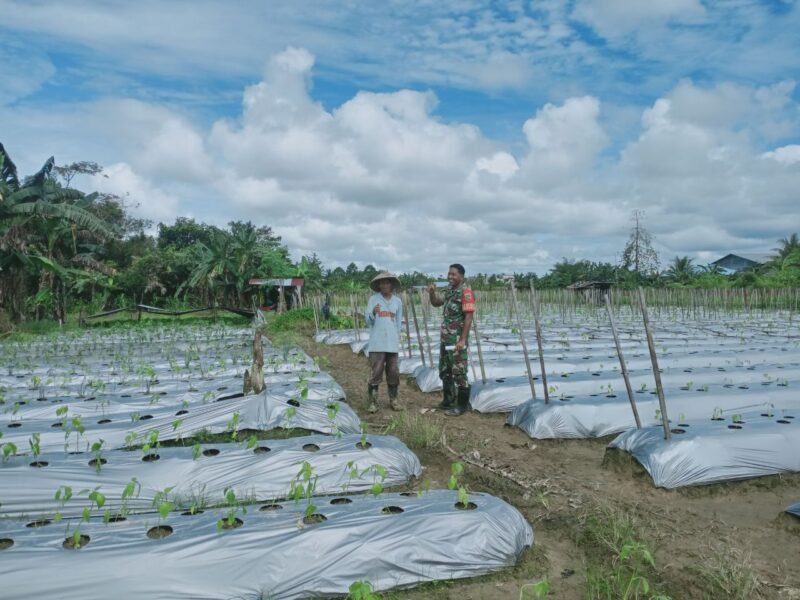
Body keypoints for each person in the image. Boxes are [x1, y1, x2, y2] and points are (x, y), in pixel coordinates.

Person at [428, 263, 475, 416]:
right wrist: (432, 293)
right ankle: (448, 400)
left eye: (453, 274)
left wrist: (462, 340)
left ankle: (461, 405)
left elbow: (468, 318)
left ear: (461, 276)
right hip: (445, 338)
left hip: (456, 340)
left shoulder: (466, 292)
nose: (450, 277)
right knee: (445, 370)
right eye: (449, 274)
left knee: (459, 371)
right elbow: (436, 303)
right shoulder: (449, 291)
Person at [364, 272, 404, 412]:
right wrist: (373, 313)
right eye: (382, 283)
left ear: (391, 285)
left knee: (393, 372)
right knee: (376, 372)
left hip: (392, 344)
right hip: (377, 343)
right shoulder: (374, 300)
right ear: (379, 285)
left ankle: (393, 400)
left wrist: (396, 338)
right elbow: (368, 320)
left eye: (387, 283)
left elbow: (398, 323)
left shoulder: (397, 301)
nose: (385, 285)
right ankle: (372, 402)